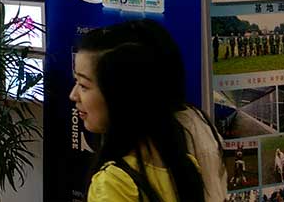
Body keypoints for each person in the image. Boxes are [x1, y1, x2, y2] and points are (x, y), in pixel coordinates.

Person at [70, 22, 206, 202]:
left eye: (84, 85)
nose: (73, 95)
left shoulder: (113, 184)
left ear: (122, 95)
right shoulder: (187, 166)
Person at [103, 19, 225, 202]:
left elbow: (211, 194)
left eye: (86, 85)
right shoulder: (157, 130)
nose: (75, 95)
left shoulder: (181, 132)